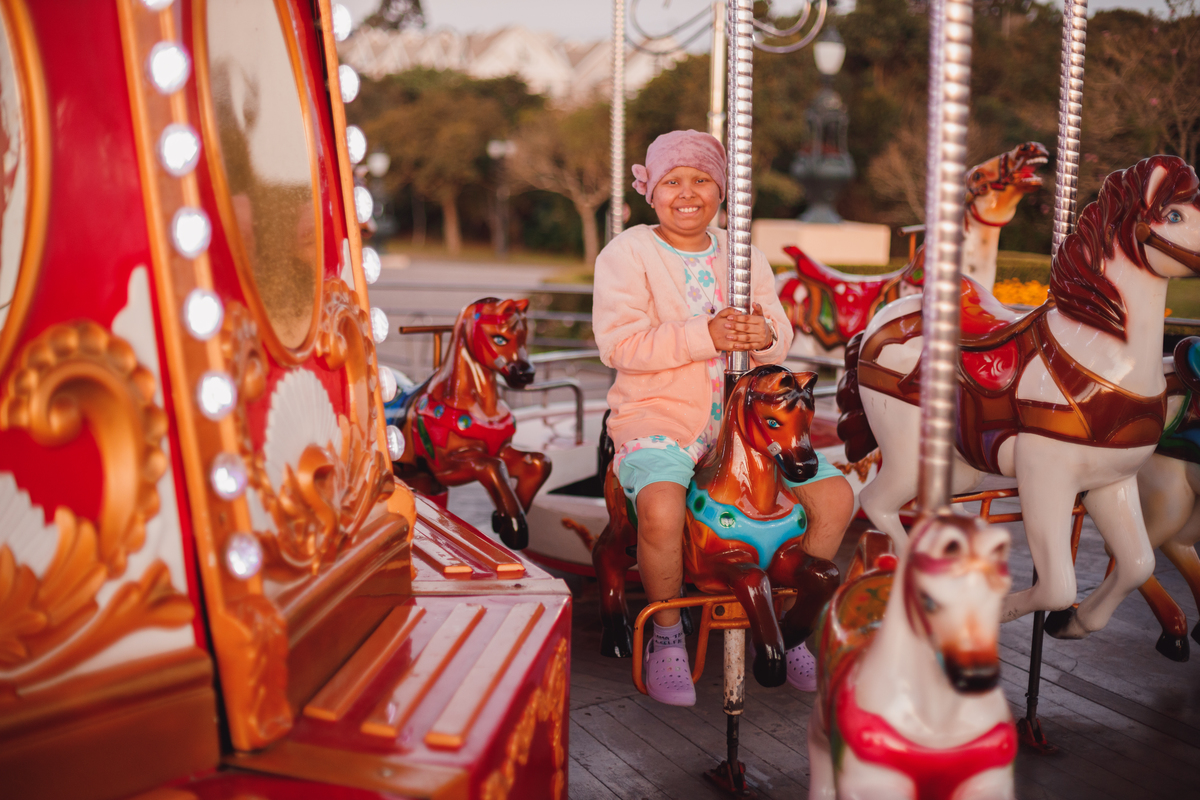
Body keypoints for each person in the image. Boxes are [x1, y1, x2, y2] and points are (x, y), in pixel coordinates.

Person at [593, 130, 854, 706]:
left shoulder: (743, 254)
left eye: (702, 180)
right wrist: (702, 335)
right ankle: (666, 633)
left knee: (836, 499)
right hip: (659, 418)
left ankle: (795, 618)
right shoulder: (628, 253)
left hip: (749, 430)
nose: (687, 193)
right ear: (651, 191)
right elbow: (618, 344)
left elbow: (778, 333)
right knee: (660, 507)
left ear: (721, 190)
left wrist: (766, 336)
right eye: (673, 182)